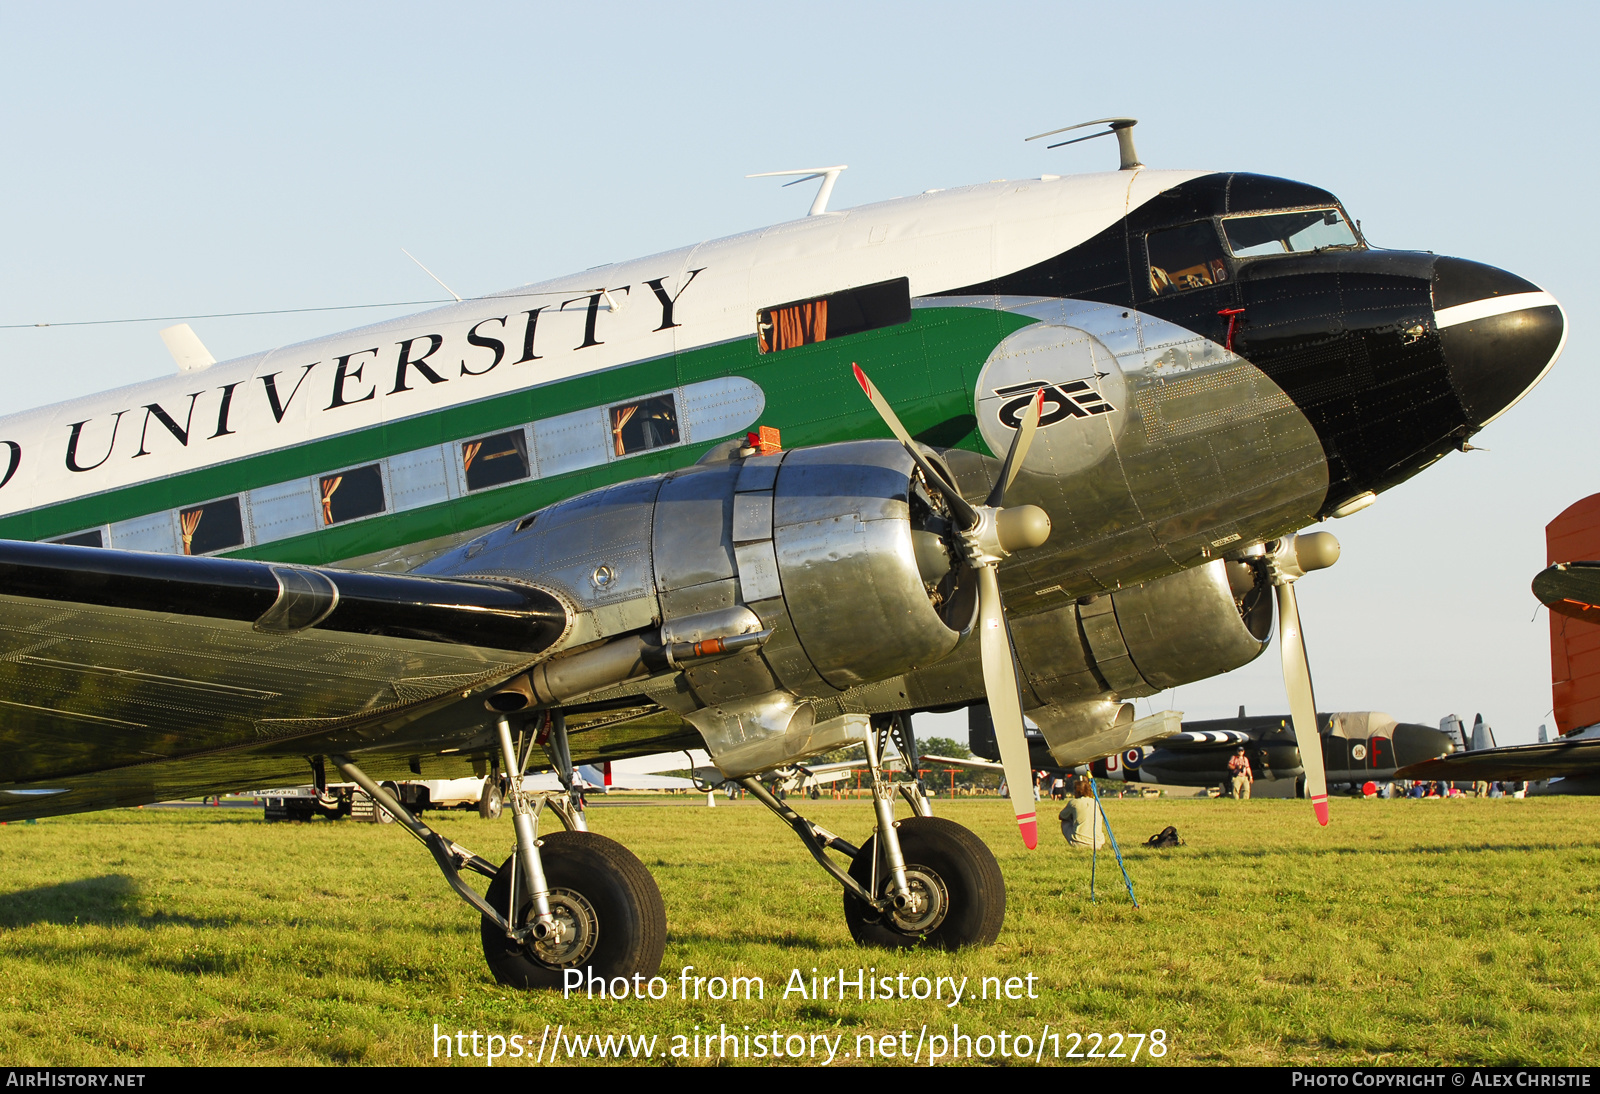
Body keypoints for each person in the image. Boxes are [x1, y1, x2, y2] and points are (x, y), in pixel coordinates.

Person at [1059, 778, 1106, 850]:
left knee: (1065, 821)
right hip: (1098, 843)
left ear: (1077, 791)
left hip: (1079, 842)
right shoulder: (1097, 803)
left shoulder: (1074, 803)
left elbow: (1061, 816)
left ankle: (1074, 844)